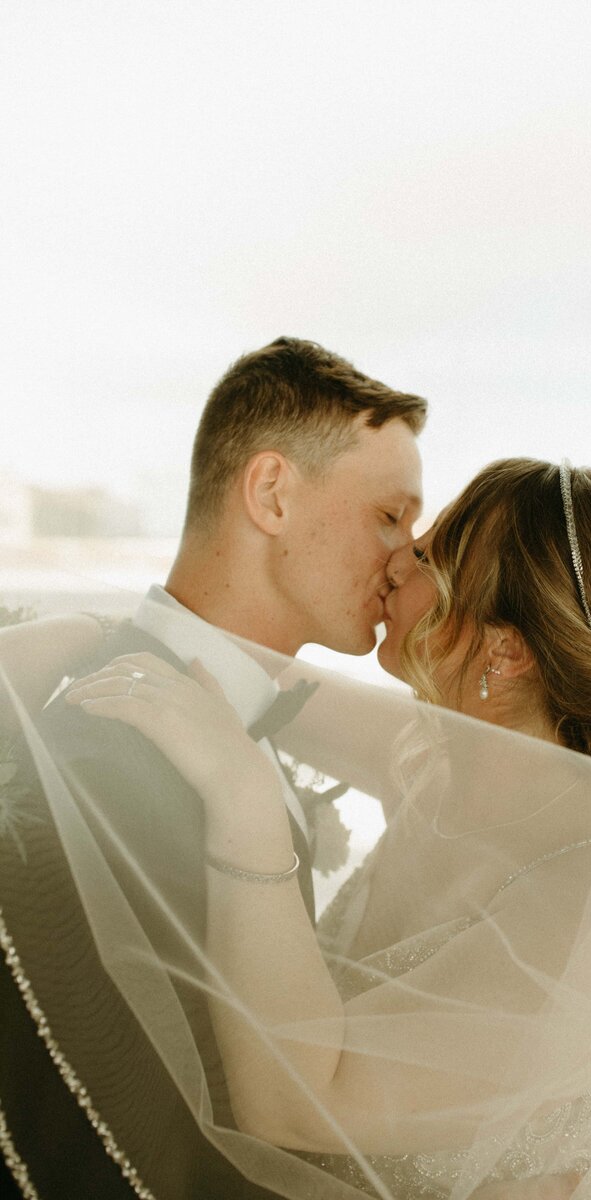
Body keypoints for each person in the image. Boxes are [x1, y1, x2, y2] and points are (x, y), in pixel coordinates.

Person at [3, 457, 591, 1199]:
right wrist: (75, 630)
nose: (394, 561)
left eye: (428, 555)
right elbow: (239, 661)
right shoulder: (441, 756)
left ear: (506, 651)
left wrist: (246, 805)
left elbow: (300, 1106)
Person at [0, 336, 426, 1199]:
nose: (405, 558)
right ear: (271, 493)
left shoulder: (236, 726)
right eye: (389, 516)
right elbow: (105, 1119)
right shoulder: (110, 752)